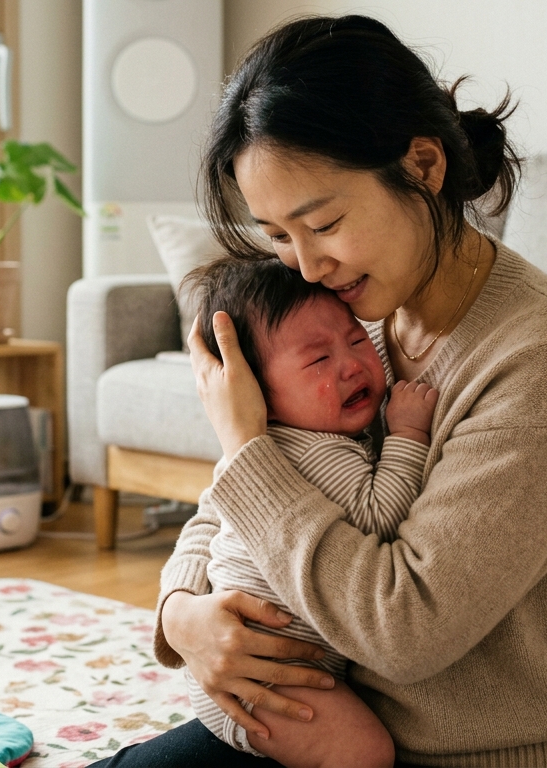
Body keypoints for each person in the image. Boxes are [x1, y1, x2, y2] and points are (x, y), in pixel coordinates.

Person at [94, 14, 547, 768]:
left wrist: (244, 444)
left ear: (422, 165)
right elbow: (238, 505)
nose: (308, 266)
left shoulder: (543, 356)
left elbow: (404, 628)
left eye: (323, 223)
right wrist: (184, 612)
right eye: (279, 236)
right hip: (321, 717)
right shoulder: (353, 320)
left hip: (489, 754)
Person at [179, 257, 440, 767]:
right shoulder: (316, 451)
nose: (351, 365)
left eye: (357, 340)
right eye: (318, 361)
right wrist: (408, 435)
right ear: (254, 394)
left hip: (251, 666)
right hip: (260, 680)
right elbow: (379, 517)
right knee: (361, 750)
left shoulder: (273, 441)